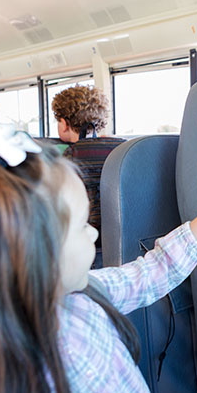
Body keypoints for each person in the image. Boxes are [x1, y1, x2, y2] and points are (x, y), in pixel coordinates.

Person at [0, 124, 197, 393]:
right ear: (32, 253)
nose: (93, 235)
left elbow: (150, 273)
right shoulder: (54, 366)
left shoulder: (81, 295)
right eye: (82, 225)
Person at [52, 85, 125, 268]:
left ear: (64, 122)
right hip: (124, 243)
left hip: (86, 248)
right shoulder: (123, 149)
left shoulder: (70, 156)